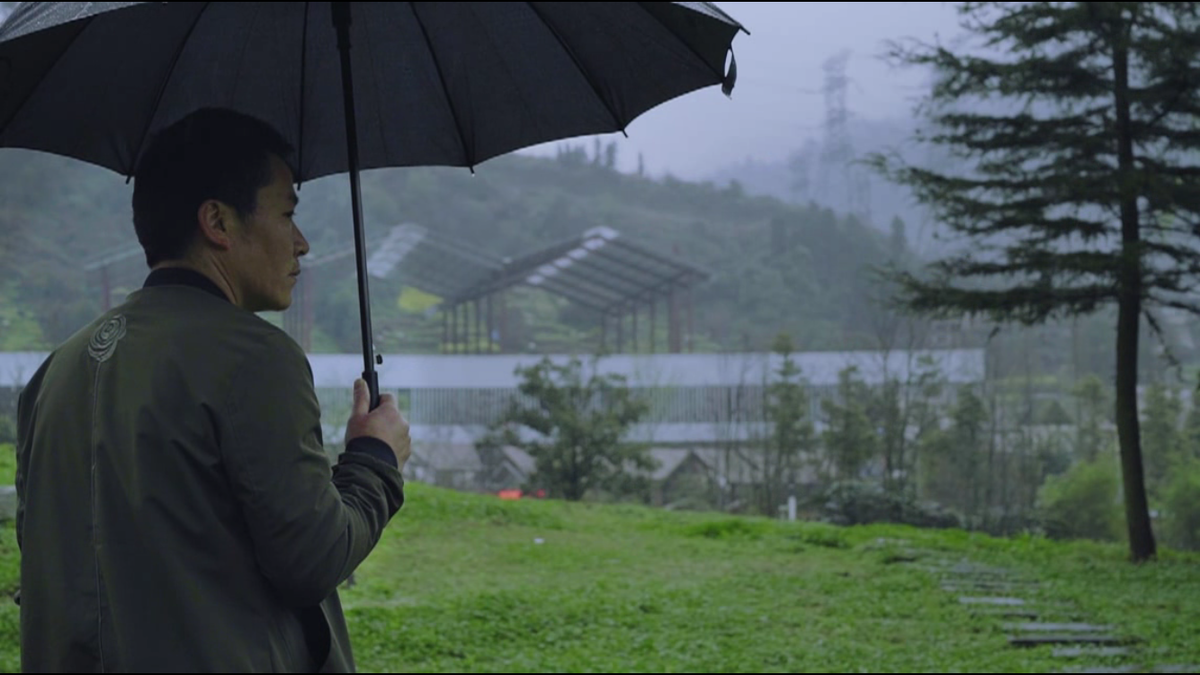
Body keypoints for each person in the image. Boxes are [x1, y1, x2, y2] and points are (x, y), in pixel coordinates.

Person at [14, 107, 411, 673]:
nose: (301, 243)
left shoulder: (58, 369)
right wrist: (375, 458)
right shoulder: (255, 357)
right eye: (287, 214)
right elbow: (313, 559)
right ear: (218, 222)